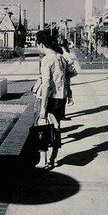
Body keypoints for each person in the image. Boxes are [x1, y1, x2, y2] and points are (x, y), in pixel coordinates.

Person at [34, 30, 69, 167]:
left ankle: (43, 160)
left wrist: (43, 107)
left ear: (41, 44)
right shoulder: (61, 57)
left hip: (50, 98)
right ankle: (53, 158)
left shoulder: (46, 59)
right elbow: (68, 75)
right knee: (56, 127)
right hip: (61, 97)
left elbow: (46, 84)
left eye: (38, 45)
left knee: (41, 128)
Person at [60, 39, 74, 107]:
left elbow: (71, 61)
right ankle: (69, 99)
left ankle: (70, 99)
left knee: (67, 86)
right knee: (67, 86)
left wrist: (65, 64)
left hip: (66, 72)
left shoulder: (65, 53)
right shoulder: (64, 52)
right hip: (65, 71)